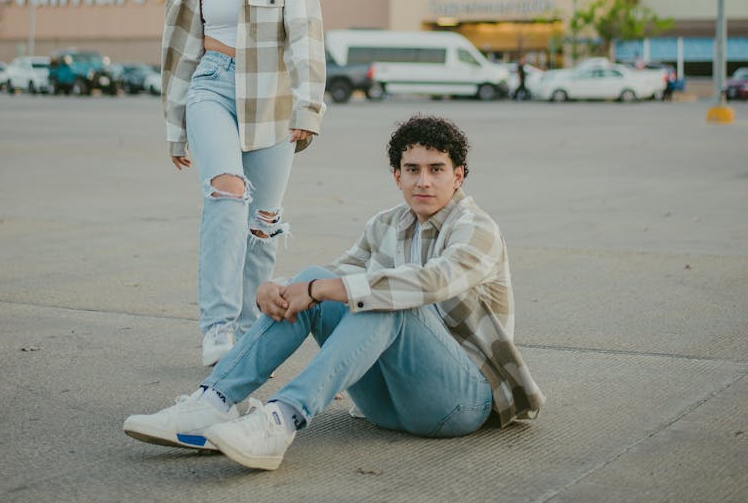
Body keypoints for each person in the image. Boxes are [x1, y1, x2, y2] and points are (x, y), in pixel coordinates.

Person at [123, 115, 545, 471]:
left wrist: (323, 288)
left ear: (459, 176)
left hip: (459, 402)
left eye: (436, 169)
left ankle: (281, 420)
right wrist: (282, 288)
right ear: (396, 176)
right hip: (386, 405)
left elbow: (431, 282)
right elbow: (334, 276)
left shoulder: (476, 228)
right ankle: (212, 402)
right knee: (317, 277)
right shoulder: (386, 224)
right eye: (412, 169)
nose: (424, 181)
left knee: (388, 297)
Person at [162, 0, 326, 367]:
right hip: (211, 84)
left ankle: (247, 330)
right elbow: (178, 57)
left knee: (263, 220)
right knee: (226, 193)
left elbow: (305, 40)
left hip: (272, 93)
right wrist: (176, 128)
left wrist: (307, 106)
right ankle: (216, 325)